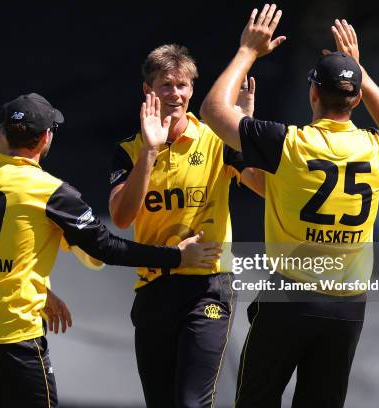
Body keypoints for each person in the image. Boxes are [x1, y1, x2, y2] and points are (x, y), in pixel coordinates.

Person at [0, 92, 221, 408]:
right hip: (14, 337)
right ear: (45, 139)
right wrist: (176, 257)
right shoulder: (51, 192)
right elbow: (105, 249)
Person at [201, 5, 379, 408]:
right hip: (347, 307)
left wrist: (248, 49)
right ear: (354, 100)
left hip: (289, 298)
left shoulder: (290, 144)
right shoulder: (374, 149)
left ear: (313, 92)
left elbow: (212, 110)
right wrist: (358, 72)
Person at [108, 44, 263, 408]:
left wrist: (246, 133)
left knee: (191, 402)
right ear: (148, 91)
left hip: (207, 287)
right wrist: (149, 150)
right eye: (165, 85)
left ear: (193, 90)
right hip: (155, 286)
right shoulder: (129, 150)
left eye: (182, 85)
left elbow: (263, 186)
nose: (175, 93)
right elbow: (121, 217)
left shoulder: (217, 140)